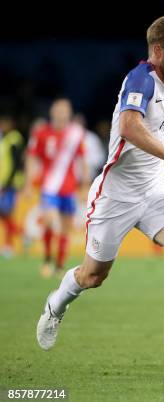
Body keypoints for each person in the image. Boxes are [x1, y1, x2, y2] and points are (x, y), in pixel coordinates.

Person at [36, 14, 164, 366]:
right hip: (115, 196)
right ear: (158, 50)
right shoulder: (140, 80)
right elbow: (130, 127)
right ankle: (56, 303)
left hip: (153, 190)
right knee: (93, 276)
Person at [24, 98, 89, 277]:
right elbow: (31, 157)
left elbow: (83, 161)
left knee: (65, 228)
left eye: (64, 110)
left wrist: (84, 186)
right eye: (58, 110)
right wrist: (29, 183)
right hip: (49, 187)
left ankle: (60, 265)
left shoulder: (75, 134)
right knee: (49, 220)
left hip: (68, 188)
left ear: (69, 113)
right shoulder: (42, 133)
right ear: (52, 112)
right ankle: (46, 259)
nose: (61, 113)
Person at [0, 114, 25, 257]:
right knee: (5, 215)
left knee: (6, 212)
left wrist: (7, 183)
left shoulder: (15, 139)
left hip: (10, 183)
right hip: (4, 182)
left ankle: (10, 244)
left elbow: (16, 163)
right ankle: (20, 235)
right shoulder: (6, 139)